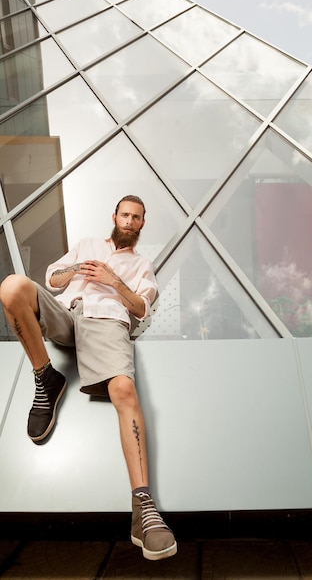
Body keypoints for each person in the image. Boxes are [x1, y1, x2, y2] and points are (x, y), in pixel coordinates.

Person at [0, 195, 177, 561]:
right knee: (12, 286)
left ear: (142, 224)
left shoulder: (142, 263)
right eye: (125, 214)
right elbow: (51, 277)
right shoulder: (86, 245)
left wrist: (114, 281)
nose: (129, 221)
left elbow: (142, 308)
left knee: (124, 388)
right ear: (114, 216)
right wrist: (79, 268)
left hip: (107, 321)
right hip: (66, 312)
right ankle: (45, 377)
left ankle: (143, 508)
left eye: (136, 218)